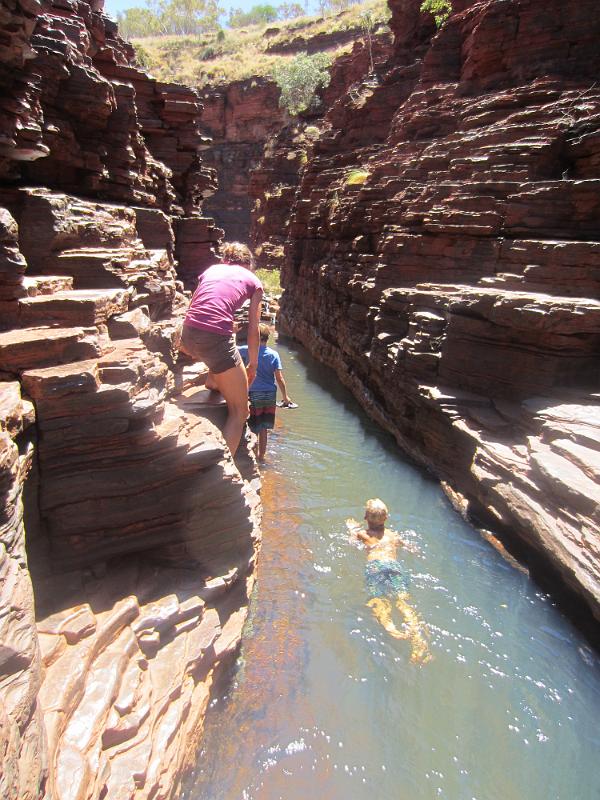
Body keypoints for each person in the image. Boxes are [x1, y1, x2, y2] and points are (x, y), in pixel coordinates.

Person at [179, 242, 262, 456]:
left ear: (225, 259)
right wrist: (253, 364)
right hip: (213, 341)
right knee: (240, 412)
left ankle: (213, 381)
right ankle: (225, 471)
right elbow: (254, 328)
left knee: (227, 335)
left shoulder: (211, 270)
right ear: (248, 264)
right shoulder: (253, 281)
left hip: (187, 336)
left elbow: (198, 306)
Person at [346, 499, 431, 665]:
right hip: (395, 566)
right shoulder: (393, 536)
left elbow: (351, 542)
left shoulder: (363, 535)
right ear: (386, 518)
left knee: (378, 598)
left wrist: (352, 529)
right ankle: (418, 639)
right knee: (403, 600)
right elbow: (410, 547)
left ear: (365, 517)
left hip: (375, 566)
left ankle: (391, 628)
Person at [238, 324, 293, 462]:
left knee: (252, 425)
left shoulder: (246, 351)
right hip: (269, 395)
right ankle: (261, 456)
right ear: (267, 338)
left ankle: (252, 456)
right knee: (263, 428)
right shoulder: (274, 354)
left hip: (252, 394)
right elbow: (279, 378)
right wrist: (285, 397)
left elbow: (229, 349)